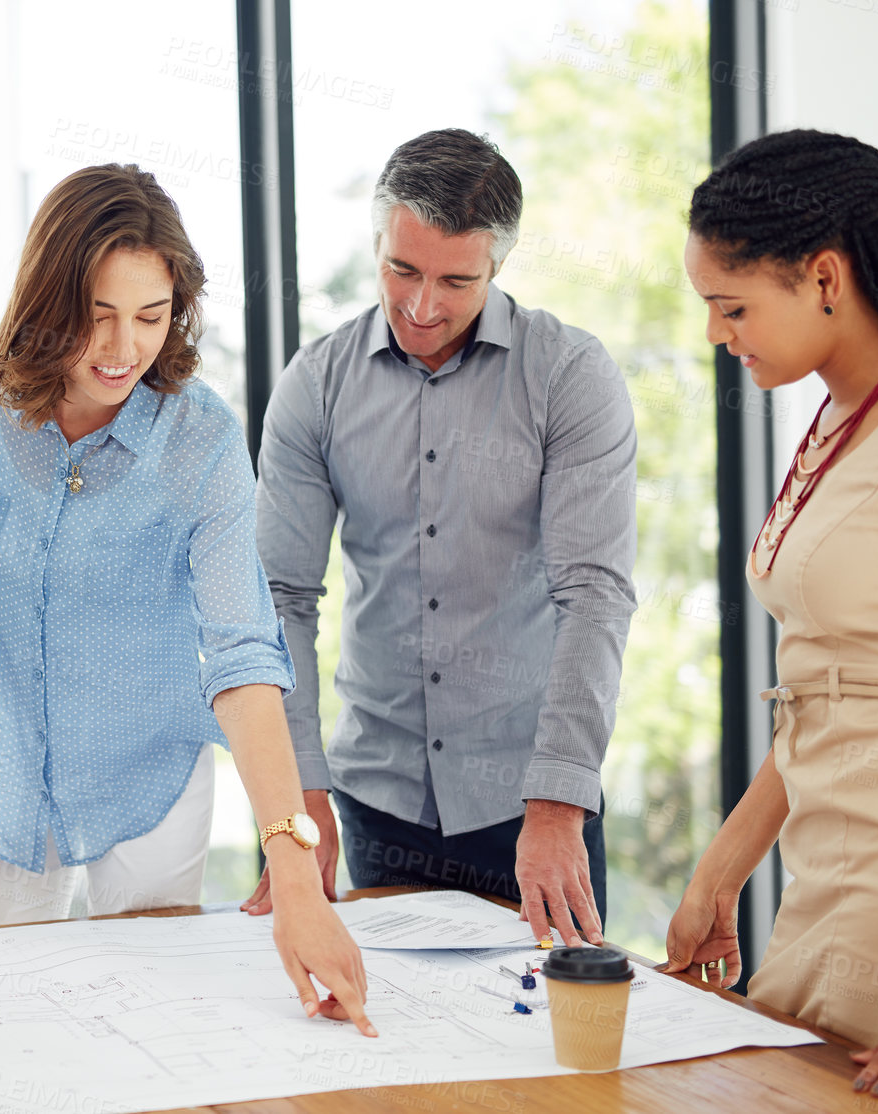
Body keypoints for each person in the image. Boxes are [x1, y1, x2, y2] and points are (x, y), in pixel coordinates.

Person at [0, 163, 374, 1034]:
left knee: (147, 1027)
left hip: (149, 786)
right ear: (46, 297)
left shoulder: (203, 440)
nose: (122, 348)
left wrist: (293, 871)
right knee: (2, 1031)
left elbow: (245, 650)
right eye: (97, 314)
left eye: (150, 317)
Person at [665, 129, 878, 1101]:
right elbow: (827, 682)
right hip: (831, 869)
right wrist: (721, 869)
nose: (719, 334)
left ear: (822, 278)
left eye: (732, 306)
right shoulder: (836, 424)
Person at [253, 128, 637, 946]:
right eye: (402, 270)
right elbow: (281, 596)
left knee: (561, 1054)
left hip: (533, 804)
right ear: (377, 239)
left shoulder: (568, 376)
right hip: (376, 799)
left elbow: (593, 595)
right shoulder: (315, 385)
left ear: (498, 265)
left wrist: (560, 799)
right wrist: (297, 794)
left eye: (456, 280)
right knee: (393, 1047)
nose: (423, 305)